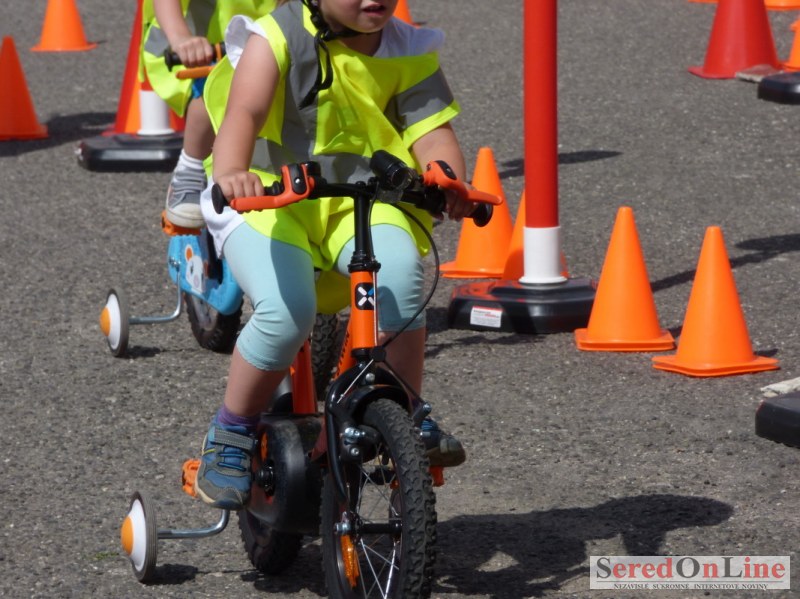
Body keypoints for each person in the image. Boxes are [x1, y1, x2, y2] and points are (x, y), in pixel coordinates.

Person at [195, 0, 473, 510]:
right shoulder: (275, 37)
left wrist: (446, 178)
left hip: (359, 199)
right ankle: (232, 431)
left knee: (402, 279)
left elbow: (432, 132)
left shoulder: (408, 48)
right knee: (286, 313)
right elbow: (245, 111)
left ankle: (404, 411)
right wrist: (233, 171)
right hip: (268, 199)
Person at [141, 0, 276, 229]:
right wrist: (180, 38)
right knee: (217, 89)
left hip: (278, 42)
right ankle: (191, 167)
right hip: (206, 48)